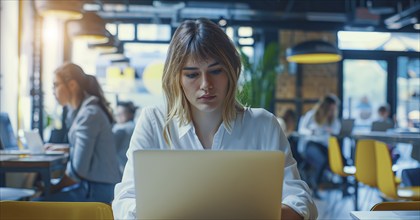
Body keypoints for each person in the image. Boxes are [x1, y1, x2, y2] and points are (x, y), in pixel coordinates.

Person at [113, 18, 317, 220]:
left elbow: (299, 198)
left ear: (231, 72)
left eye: (216, 71)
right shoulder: (154, 121)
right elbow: (125, 198)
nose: (205, 84)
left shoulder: (263, 124)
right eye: (192, 75)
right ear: (176, 78)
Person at [43, 62, 121, 203]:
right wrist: (64, 148)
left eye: (56, 85)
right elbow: (87, 149)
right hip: (94, 186)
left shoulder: (89, 114)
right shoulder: (82, 111)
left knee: (36, 204)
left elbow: (78, 171)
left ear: (72, 85)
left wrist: (49, 188)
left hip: (94, 190)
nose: (53, 90)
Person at [297, 94, 341, 197]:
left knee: (340, 159)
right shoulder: (311, 115)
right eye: (330, 109)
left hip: (324, 145)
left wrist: (332, 131)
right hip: (311, 144)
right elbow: (301, 130)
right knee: (322, 160)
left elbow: (337, 130)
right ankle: (315, 187)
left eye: (333, 109)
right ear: (325, 107)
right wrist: (311, 131)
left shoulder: (333, 119)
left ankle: (343, 187)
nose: (331, 111)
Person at [113, 101, 138, 173]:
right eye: (116, 114)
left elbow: (110, 146)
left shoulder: (125, 128)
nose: (118, 116)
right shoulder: (134, 126)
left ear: (130, 114)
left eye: (121, 113)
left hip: (121, 167)